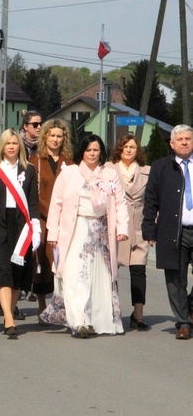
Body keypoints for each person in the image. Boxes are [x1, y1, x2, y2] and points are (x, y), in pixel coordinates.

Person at [41, 134, 129, 337]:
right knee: (74, 275)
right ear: (82, 151)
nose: (92, 153)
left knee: (98, 277)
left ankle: (97, 319)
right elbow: (56, 204)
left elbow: (120, 202)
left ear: (101, 152)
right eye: (88, 150)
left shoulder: (109, 174)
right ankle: (79, 320)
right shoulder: (69, 173)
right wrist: (52, 232)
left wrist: (122, 228)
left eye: (96, 150)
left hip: (100, 231)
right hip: (75, 228)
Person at [0, 129, 40, 338]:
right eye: (7, 143)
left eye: (15, 143)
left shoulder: (28, 169)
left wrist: (36, 226)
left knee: (17, 274)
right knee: (3, 271)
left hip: (22, 226)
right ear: (2, 146)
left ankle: (8, 313)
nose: (11, 146)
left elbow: (32, 201)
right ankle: (9, 318)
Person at [142, 124, 193, 340]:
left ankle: (189, 306)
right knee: (175, 279)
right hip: (173, 231)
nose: (184, 142)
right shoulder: (161, 167)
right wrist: (149, 229)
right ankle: (183, 323)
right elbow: (151, 199)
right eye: (179, 139)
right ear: (171, 144)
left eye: (188, 138)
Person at [28, 119, 73, 322]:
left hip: (67, 220)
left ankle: (63, 305)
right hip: (44, 218)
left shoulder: (70, 162)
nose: (55, 139)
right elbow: (32, 193)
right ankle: (41, 305)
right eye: (52, 135)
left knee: (64, 262)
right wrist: (50, 210)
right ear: (45, 136)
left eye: (59, 136)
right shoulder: (35, 161)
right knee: (44, 262)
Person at [105, 134, 151, 330]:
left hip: (139, 225)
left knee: (138, 269)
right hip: (115, 225)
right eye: (125, 147)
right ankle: (111, 310)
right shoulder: (108, 169)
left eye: (133, 147)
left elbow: (152, 200)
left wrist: (152, 227)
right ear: (119, 149)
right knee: (112, 271)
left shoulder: (147, 171)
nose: (129, 150)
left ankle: (138, 314)